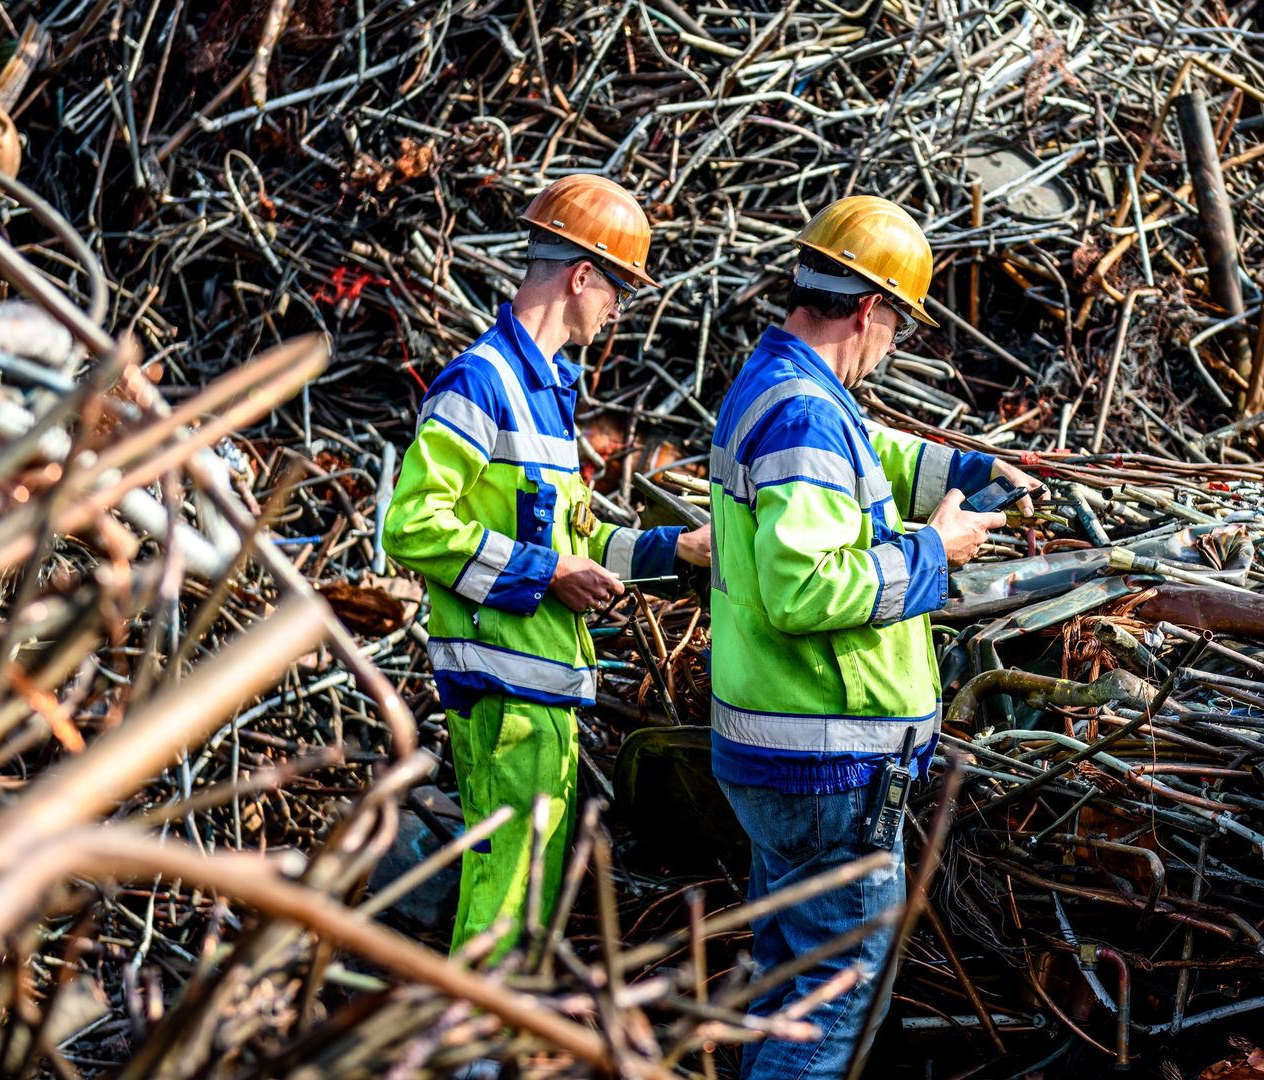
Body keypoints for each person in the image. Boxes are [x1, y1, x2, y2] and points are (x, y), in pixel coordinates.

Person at [708, 195, 1041, 1076]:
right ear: (868, 309)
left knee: (789, 991)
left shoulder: (779, 385)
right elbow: (803, 587)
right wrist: (938, 548)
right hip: (828, 768)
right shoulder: (807, 415)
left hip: (783, 754)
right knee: (835, 1004)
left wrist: (963, 469)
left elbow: (865, 452)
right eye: (898, 324)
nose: (893, 345)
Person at [384, 174, 711, 954]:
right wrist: (545, 574)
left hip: (538, 698)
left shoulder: (547, 397)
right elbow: (412, 525)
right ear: (581, 276)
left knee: (522, 905)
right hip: (504, 695)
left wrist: (676, 552)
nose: (618, 311)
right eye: (618, 291)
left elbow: (579, 542)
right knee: (505, 908)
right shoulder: (483, 384)